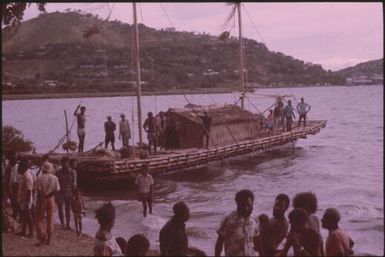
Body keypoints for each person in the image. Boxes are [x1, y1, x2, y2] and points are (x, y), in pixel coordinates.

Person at [215, 189, 262, 256]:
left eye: (249, 205)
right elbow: (220, 241)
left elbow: (256, 238)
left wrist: (261, 254)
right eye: (243, 206)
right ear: (237, 204)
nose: (246, 208)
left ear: (252, 203)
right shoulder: (228, 219)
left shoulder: (255, 219)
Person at [34, 162, 60, 246]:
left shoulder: (39, 178)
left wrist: (43, 197)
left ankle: (42, 238)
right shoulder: (55, 178)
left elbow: (37, 190)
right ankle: (49, 239)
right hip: (51, 200)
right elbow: (57, 190)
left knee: (38, 220)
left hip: (42, 199)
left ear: (43, 169)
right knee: (50, 220)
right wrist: (49, 195)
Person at [56, 156, 76, 229]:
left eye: (66, 163)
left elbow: (74, 183)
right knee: (60, 209)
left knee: (68, 209)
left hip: (69, 192)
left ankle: (67, 224)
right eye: (64, 163)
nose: (65, 164)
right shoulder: (58, 172)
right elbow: (56, 183)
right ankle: (62, 224)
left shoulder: (72, 172)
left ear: (68, 163)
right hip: (60, 192)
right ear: (61, 163)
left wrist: (74, 194)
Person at [16, 159, 34, 238]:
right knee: (23, 216)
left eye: (19, 167)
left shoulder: (27, 177)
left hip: (26, 200)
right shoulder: (23, 176)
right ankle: (23, 231)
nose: (18, 169)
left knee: (28, 216)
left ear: (23, 168)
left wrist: (27, 203)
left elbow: (29, 191)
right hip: (22, 199)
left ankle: (31, 233)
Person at [9, 156, 20, 220]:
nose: (10, 163)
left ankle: (16, 214)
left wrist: (14, 191)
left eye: (11, 162)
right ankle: (15, 213)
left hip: (15, 188)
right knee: (14, 202)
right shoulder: (13, 167)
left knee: (15, 202)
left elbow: (15, 181)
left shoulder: (16, 168)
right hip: (13, 188)